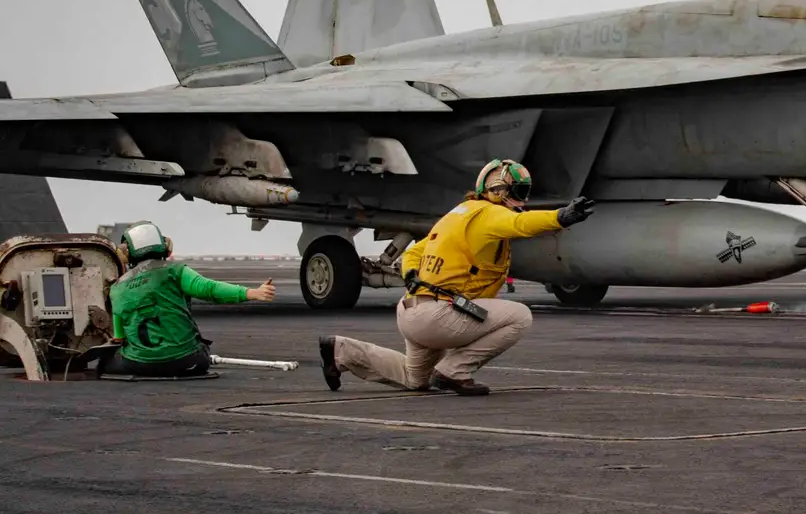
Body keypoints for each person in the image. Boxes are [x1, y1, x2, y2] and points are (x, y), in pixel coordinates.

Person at [318, 159, 595, 396]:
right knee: (520, 316)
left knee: (415, 379)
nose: (522, 198)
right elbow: (520, 224)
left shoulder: (456, 215)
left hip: (412, 311)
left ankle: (340, 350)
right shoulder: (488, 213)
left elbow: (414, 253)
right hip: (439, 316)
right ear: (498, 190)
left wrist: (411, 274)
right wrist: (561, 217)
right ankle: (454, 371)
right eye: (519, 191)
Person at [100, 221, 276, 377]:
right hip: (189, 362)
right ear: (165, 246)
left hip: (139, 365)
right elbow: (210, 289)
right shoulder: (175, 271)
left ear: (127, 253)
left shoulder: (117, 288)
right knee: (196, 349)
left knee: (106, 362)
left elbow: (119, 338)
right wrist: (252, 293)